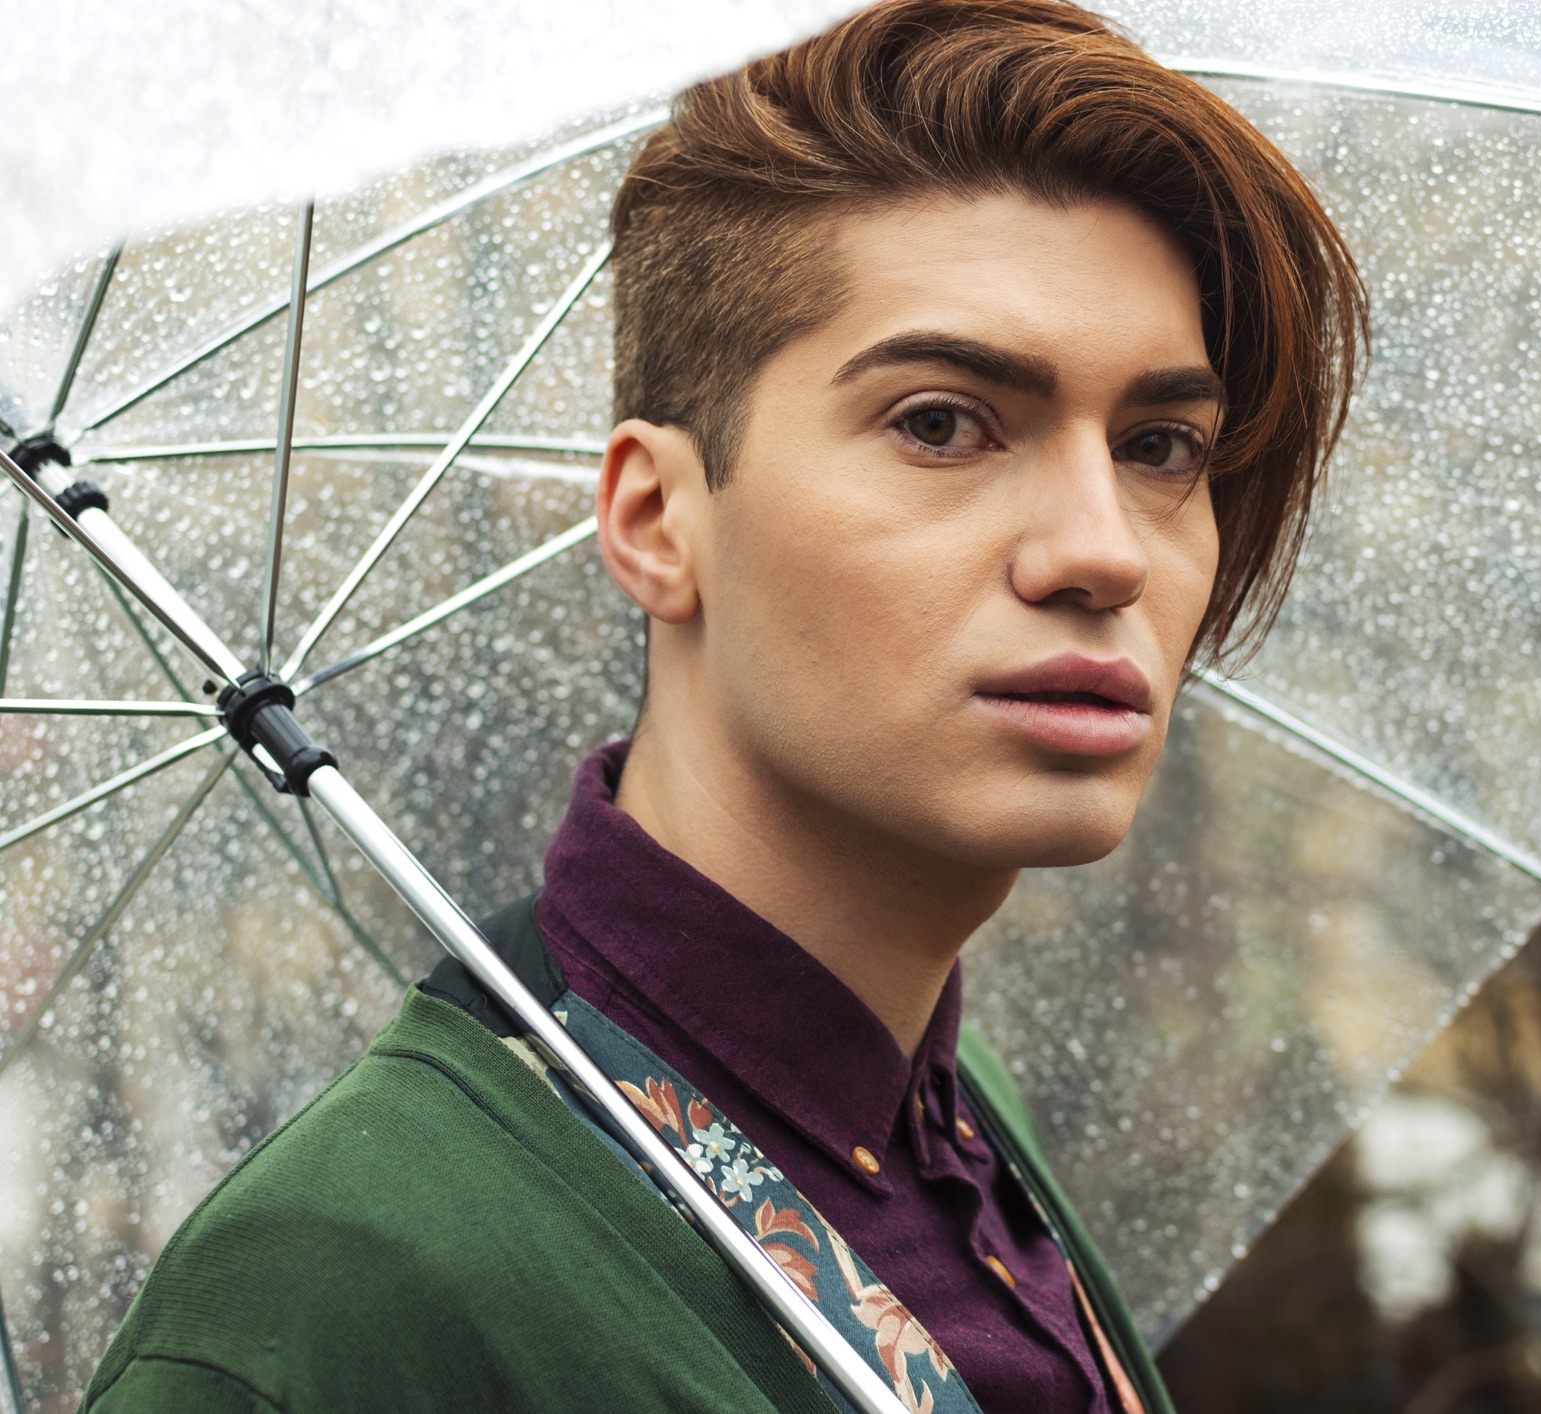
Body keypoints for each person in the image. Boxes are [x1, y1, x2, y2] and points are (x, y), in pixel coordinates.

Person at [82, 1, 1364, 1409]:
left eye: (1160, 445)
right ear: (654, 519)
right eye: (941, 421)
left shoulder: (948, 1120)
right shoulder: (341, 1288)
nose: (1104, 547)